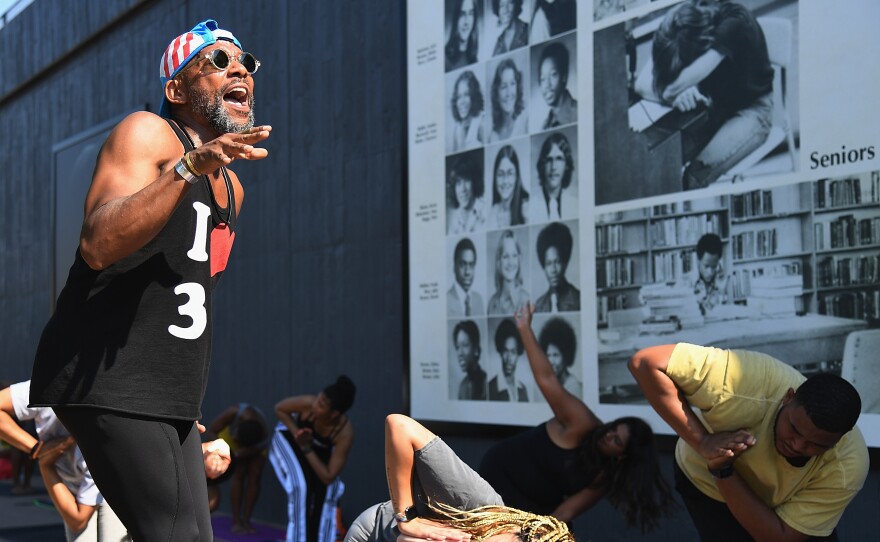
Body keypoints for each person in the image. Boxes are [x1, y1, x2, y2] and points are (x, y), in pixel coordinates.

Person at [28, 19, 271, 541]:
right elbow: (97, 244)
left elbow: (192, 293)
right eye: (218, 62)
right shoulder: (149, 132)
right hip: (106, 377)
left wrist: (184, 399)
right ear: (176, 89)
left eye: (245, 63)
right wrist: (185, 169)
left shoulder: (231, 187)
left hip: (164, 388)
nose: (240, 71)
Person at [629, 343, 869, 541]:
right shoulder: (744, 380)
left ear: (838, 440)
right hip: (707, 484)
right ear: (788, 397)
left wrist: (723, 470)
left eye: (816, 445)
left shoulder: (848, 465)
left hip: (785, 502)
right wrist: (702, 441)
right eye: (794, 429)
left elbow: (777, 537)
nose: (798, 445)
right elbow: (645, 362)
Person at [479, 304, 673, 531]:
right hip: (501, 476)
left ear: (622, 456)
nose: (608, 435)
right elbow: (547, 379)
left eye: (616, 440)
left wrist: (538, 535)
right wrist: (524, 328)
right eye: (613, 429)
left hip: (537, 505)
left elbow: (564, 512)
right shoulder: (583, 422)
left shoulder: (603, 477)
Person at [346, 414, 575, 542]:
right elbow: (399, 426)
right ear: (514, 532)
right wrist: (408, 518)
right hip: (374, 535)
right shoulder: (478, 502)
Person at [633, 0, 774, 189]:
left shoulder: (735, 23)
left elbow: (671, 89)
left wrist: (674, 93)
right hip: (713, 105)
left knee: (693, 178)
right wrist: (681, 95)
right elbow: (641, 85)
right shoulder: (683, 18)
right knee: (661, 157)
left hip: (754, 109)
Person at [0, 381, 129, 541]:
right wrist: (37, 450)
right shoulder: (48, 386)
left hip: (112, 483)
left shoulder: (99, 441)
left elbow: (78, 520)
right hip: (69, 481)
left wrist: (44, 462)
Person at [271, 376, 356, 542]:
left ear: (334, 414)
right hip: (288, 437)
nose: (316, 404)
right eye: (319, 398)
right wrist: (297, 434)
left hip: (310, 448)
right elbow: (279, 408)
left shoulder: (344, 433)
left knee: (329, 489)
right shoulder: (308, 403)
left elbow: (328, 476)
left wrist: (306, 448)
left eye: (322, 405)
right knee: (301, 486)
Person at [204, 403, 271, 534]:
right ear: (239, 424)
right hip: (227, 438)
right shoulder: (234, 413)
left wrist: (246, 452)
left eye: (238, 439)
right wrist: (223, 450)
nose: (235, 438)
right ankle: (236, 522)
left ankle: (246, 520)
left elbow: (258, 448)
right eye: (237, 435)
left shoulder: (263, 436)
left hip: (255, 445)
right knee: (239, 472)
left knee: (255, 475)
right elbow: (210, 431)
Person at [678, 233, 732, 315]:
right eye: (706, 266)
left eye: (714, 266)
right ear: (698, 260)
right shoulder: (684, 283)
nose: (710, 272)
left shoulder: (724, 280)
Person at [534, 222, 580, 313]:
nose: (553, 270)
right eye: (549, 264)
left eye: (557, 262)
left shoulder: (578, 299)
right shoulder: (539, 306)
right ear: (544, 267)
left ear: (564, 264)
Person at [532, 132, 577, 222]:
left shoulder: (575, 204)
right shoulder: (531, 205)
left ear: (567, 165)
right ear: (542, 165)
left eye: (559, 159)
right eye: (549, 160)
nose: (553, 167)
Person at [487, 230, 530, 315]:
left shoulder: (526, 300)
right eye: (506, 256)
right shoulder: (492, 303)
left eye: (514, 255)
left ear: (519, 259)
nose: (510, 262)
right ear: (499, 262)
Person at [536, 42, 577, 130]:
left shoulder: (578, 113)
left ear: (564, 77)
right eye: (543, 79)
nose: (547, 85)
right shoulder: (545, 125)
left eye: (553, 74)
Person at [537, 317, 581, 398]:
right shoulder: (551, 386)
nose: (551, 361)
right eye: (548, 355)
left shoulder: (573, 388)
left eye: (556, 355)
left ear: (566, 356)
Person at [487, 145, 529, 228]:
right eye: (500, 174)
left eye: (510, 174)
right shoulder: (493, 212)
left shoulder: (526, 207)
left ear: (517, 176)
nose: (505, 181)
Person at [488, 319, 530, 402]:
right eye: (506, 351)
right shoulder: (490, 388)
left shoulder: (522, 390)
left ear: (518, 354)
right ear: (500, 353)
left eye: (513, 352)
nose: (509, 358)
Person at [446, 151, 486, 234]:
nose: (462, 189)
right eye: (458, 183)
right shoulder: (453, 220)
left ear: (474, 182)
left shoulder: (486, 210)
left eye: (467, 180)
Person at [488, 58, 528, 142]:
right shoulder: (493, 136)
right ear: (496, 94)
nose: (509, 93)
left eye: (512, 84)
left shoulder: (526, 121)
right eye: (503, 87)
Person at [448, 70, 485, 153]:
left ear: (474, 96)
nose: (462, 102)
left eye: (466, 95)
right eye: (459, 96)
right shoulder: (456, 128)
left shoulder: (481, 122)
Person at [448, 238, 485, 317]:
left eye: (471, 265)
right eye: (462, 264)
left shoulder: (479, 301)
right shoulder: (446, 301)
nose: (467, 272)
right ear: (454, 267)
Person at [452, 320, 488, 400]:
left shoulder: (487, 382)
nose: (459, 353)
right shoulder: (463, 387)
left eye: (465, 345)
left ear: (476, 350)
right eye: (457, 347)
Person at [445, 0, 480, 71]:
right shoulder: (444, 58)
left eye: (471, 14)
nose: (466, 22)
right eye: (462, 14)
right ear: (456, 19)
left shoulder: (474, 59)